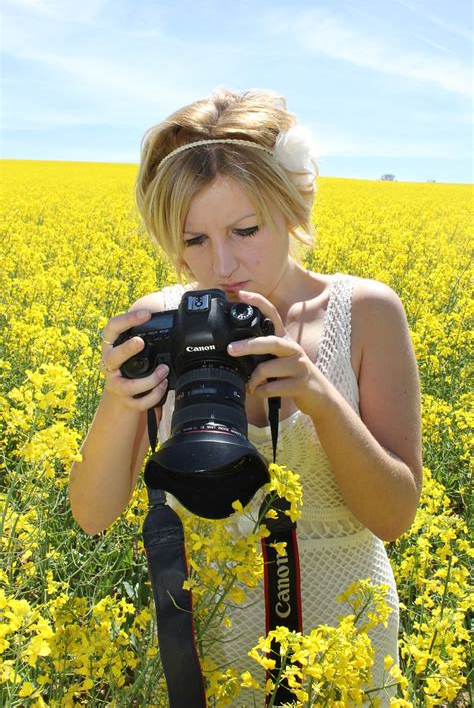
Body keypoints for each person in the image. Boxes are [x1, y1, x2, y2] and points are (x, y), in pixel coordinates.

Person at [69, 88, 422, 706]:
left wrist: (316, 394)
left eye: (246, 229)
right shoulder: (159, 322)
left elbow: (393, 518)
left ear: (290, 207)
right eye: (195, 240)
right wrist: (120, 400)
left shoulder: (364, 313)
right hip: (208, 643)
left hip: (348, 634)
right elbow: (93, 515)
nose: (223, 263)